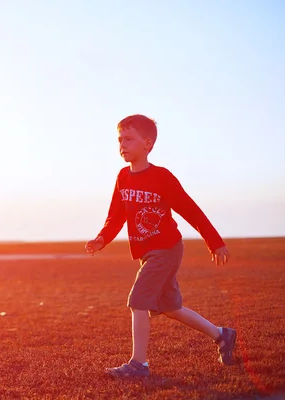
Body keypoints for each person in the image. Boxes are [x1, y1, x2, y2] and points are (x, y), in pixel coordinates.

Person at [85, 114, 236, 378]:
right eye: (120, 139)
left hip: (166, 249)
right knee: (170, 307)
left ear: (148, 144)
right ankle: (222, 335)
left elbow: (191, 210)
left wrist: (214, 242)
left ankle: (138, 365)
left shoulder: (162, 177)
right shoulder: (123, 177)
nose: (122, 144)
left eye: (129, 139)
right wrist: (102, 238)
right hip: (147, 253)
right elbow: (116, 216)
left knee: (138, 300)